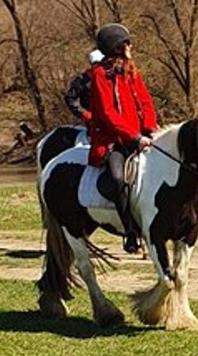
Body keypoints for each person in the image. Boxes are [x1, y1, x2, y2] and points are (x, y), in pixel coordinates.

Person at [87, 23, 158, 253]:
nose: (131, 46)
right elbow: (108, 114)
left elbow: (146, 101)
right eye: (127, 43)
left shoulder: (131, 71)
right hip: (112, 141)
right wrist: (134, 136)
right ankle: (129, 231)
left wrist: (149, 129)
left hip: (140, 137)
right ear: (116, 47)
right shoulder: (99, 75)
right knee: (117, 178)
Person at [63, 49, 103, 125]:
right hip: (93, 122)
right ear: (93, 64)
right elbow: (70, 98)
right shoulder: (82, 80)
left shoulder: (109, 76)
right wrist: (83, 113)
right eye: (98, 64)